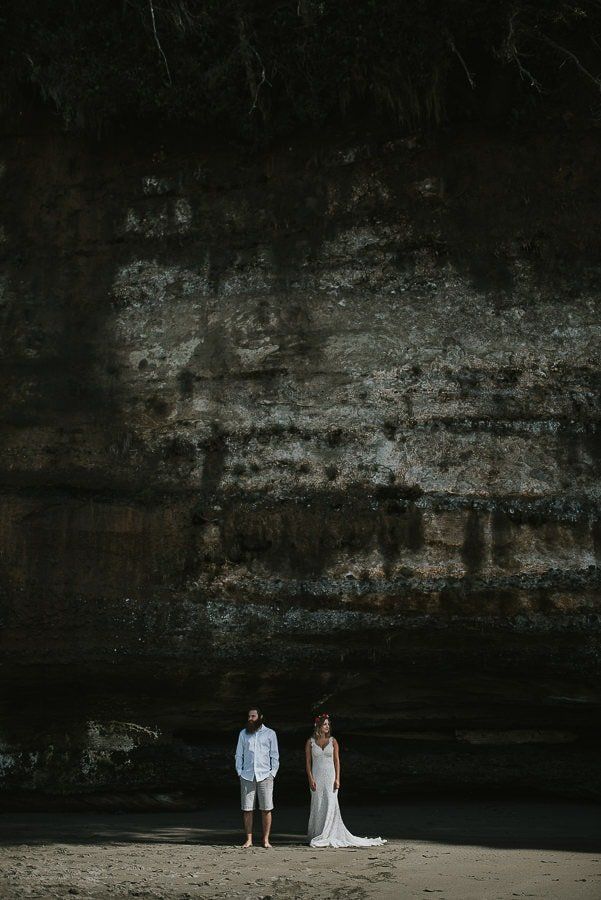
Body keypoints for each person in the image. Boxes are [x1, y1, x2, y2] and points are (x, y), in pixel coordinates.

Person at [305, 712, 386, 848]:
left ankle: (329, 833)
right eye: (325, 724)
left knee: (331, 803)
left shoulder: (333, 741)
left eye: (328, 724)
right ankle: (317, 833)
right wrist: (310, 778)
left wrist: (337, 779)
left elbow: (337, 761)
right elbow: (308, 762)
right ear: (318, 726)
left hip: (330, 777)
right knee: (318, 804)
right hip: (317, 777)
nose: (327, 727)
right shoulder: (310, 742)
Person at [235, 706, 279, 849]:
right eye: (249, 716)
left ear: (260, 717)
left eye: (253, 716)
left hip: (265, 775)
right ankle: (249, 840)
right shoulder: (243, 733)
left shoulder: (270, 733)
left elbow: (275, 756)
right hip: (247, 775)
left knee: (266, 808)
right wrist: (239, 772)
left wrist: (273, 773)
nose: (250, 719)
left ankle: (266, 840)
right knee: (247, 809)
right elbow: (238, 754)